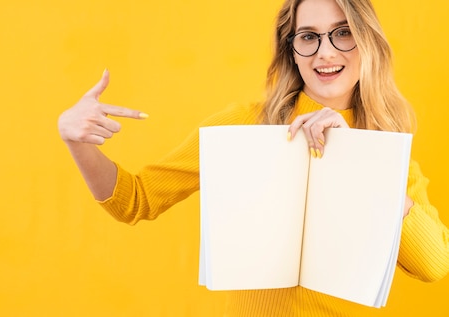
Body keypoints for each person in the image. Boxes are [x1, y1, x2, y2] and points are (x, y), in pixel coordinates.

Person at [58, 0, 449, 315]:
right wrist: (77, 141)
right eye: (308, 37)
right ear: (291, 51)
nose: (325, 52)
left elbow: (434, 265)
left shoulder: (384, 150)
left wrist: (358, 164)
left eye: (343, 33)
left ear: (367, 42)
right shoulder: (244, 124)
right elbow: (133, 200)